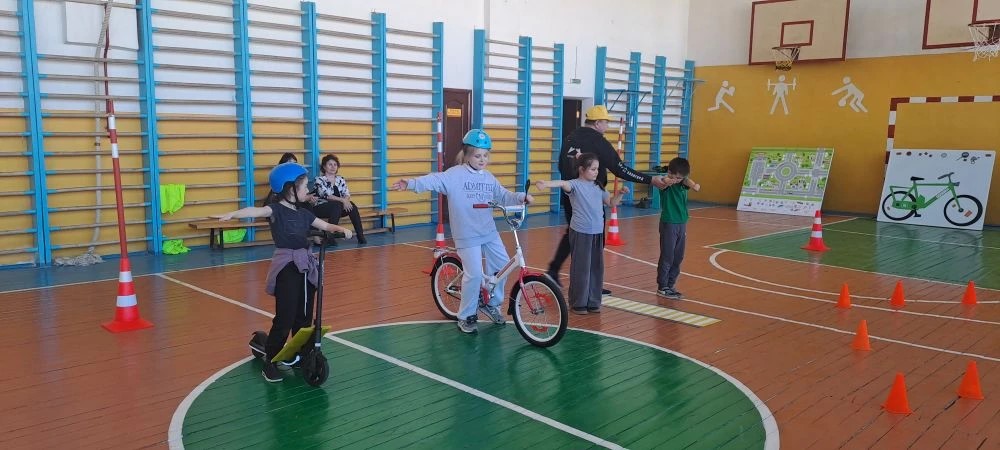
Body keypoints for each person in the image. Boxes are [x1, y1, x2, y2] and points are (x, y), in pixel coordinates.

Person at [212, 162, 354, 382]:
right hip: (287, 265)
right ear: (290, 189)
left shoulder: (304, 213)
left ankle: (300, 353)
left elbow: (326, 227)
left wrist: (343, 230)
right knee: (285, 317)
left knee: (304, 316)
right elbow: (255, 210)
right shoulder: (276, 209)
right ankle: (270, 360)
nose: (308, 190)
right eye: (304, 186)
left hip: (306, 264)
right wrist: (233, 214)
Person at [391, 129, 534, 334]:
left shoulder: (489, 177)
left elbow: (503, 195)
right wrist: (411, 183)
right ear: (466, 155)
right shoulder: (455, 175)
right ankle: (466, 316)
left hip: (488, 231)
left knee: (503, 267)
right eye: (477, 156)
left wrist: (520, 197)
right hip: (467, 234)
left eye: (485, 155)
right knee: (474, 274)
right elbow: (433, 180)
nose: (482, 160)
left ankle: (491, 304)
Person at [547, 105, 670, 293]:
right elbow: (620, 169)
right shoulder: (598, 141)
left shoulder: (569, 138)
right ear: (597, 123)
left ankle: (555, 271)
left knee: (574, 235)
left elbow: (560, 166)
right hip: (591, 199)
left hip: (572, 196)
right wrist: (650, 179)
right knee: (594, 240)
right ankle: (590, 285)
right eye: (606, 122)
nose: (607, 126)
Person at [535, 153, 628, 314]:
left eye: (597, 169)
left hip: (597, 233)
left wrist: (620, 193)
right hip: (581, 232)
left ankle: (593, 301)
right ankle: (578, 302)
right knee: (581, 268)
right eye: (592, 169)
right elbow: (562, 183)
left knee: (596, 268)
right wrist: (546, 183)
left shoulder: (599, 187)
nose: (596, 172)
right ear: (581, 170)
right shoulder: (575, 185)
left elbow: (611, 203)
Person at [655, 157, 701, 300]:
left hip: (681, 223)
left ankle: (671, 284)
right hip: (669, 223)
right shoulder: (665, 184)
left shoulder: (682, 183)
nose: (677, 180)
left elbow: (687, 181)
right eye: (675, 177)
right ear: (670, 173)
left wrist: (693, 184)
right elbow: (663, 181)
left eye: (680, 178)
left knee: (678, 256)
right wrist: (669, 179)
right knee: (667, 255)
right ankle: (662, 286)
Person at [312, 154, 366, 245]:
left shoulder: (340, 179)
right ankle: (330, 237)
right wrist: (343, 200)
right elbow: (326, 195)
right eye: (330, 164)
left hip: (337, 208)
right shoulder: (319, 180)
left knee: (352, 206)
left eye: (335, 164)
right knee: (337, 205)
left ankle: (360, 236)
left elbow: (346, 194)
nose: (333, 167)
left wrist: (346, 201)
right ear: (324, 167)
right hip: (320, 208)